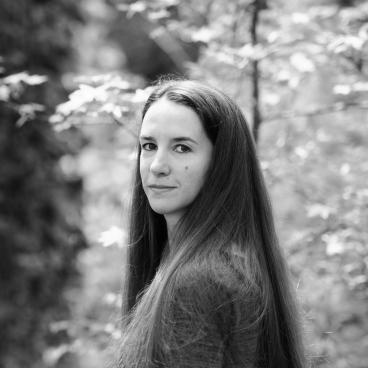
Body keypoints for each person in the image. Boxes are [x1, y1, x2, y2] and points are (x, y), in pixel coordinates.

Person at [118, 79, 306, 368]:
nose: (157, 165)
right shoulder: (223, 265)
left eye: (181, 148)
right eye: (149, 145)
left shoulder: (198, 280)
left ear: (220, 163)